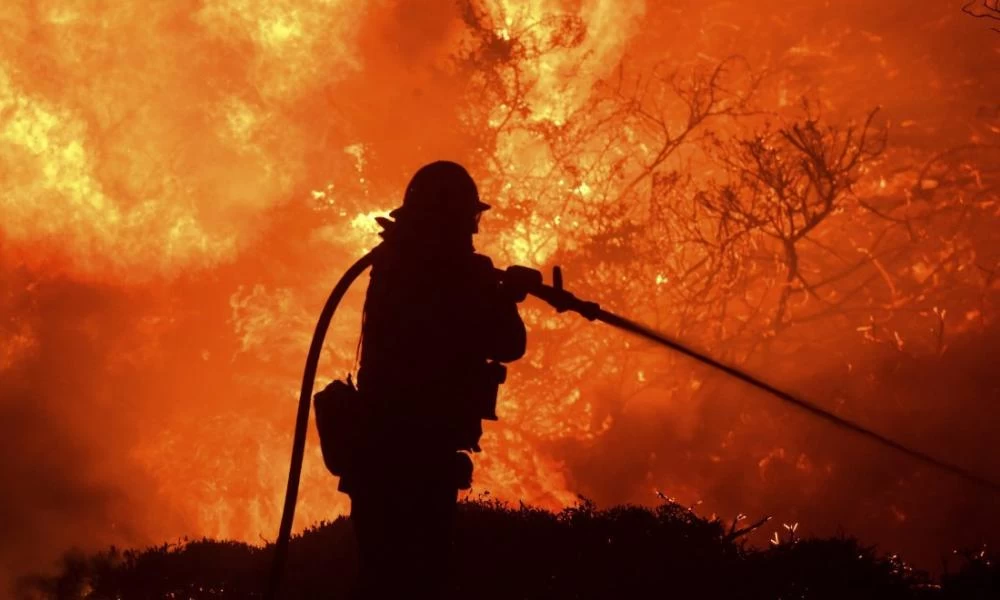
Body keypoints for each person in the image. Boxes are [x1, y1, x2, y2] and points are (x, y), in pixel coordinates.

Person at [341, 161, 528, 598]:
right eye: (468, 219)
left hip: (376, 452)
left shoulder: (393, 265)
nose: (473, 230)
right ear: (449, 219)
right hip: (420, 456)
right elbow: (508, 343)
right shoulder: (455, 275)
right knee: (421, 578)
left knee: (380, 578)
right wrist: (506, 297)